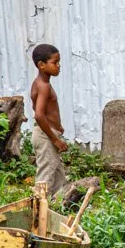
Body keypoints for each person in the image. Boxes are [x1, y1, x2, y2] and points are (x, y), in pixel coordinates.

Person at [29, 43, 71, 201]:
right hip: (45, 136)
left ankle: (57, 211)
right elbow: (39, 115)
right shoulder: (43, 86)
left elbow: (46, 112)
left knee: (59, 179)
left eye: (59, 62)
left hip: (49, 132)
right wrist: (55, 139)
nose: (58, 66)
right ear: (41, 65)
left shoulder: (41, 84)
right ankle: (38, 214)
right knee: (45, 178)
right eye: (54, 62)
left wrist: (57, 127)